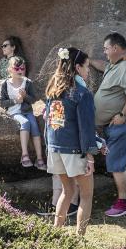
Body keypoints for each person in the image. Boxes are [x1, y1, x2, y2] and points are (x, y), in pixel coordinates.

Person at [45, 47, 99, 236]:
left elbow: (51, 123)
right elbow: (86, 128)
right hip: (75, 150)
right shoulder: (82, 94)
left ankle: (56, 233)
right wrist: (90, 154)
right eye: (86, 66)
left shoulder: (53, 91)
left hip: (55, 148)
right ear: (77, 67)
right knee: (86, 195)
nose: (88, 70)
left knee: (66, 191)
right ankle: (80, 239)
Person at [90, 32, 126, 217]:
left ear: (115, 48)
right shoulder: (116, 66)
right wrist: (89, 60)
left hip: (124, 124)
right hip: (122, 126)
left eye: (106, 48)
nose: (104, 52)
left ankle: (123, 202)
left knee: (115, 162)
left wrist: (122, 115)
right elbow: (103, 65)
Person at [0, 56, 45, 169]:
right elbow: (1, 102)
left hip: (27, 111)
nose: (20, 71)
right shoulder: (5, 84)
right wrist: (15, 101)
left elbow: (34, 99)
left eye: (22, 68)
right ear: (10, 70)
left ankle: (39, 159)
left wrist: (25, 97)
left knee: (34, 126)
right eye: (16, 68)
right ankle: (24, 155)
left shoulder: (27, 83)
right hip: (14, 112)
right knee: (25, 123)